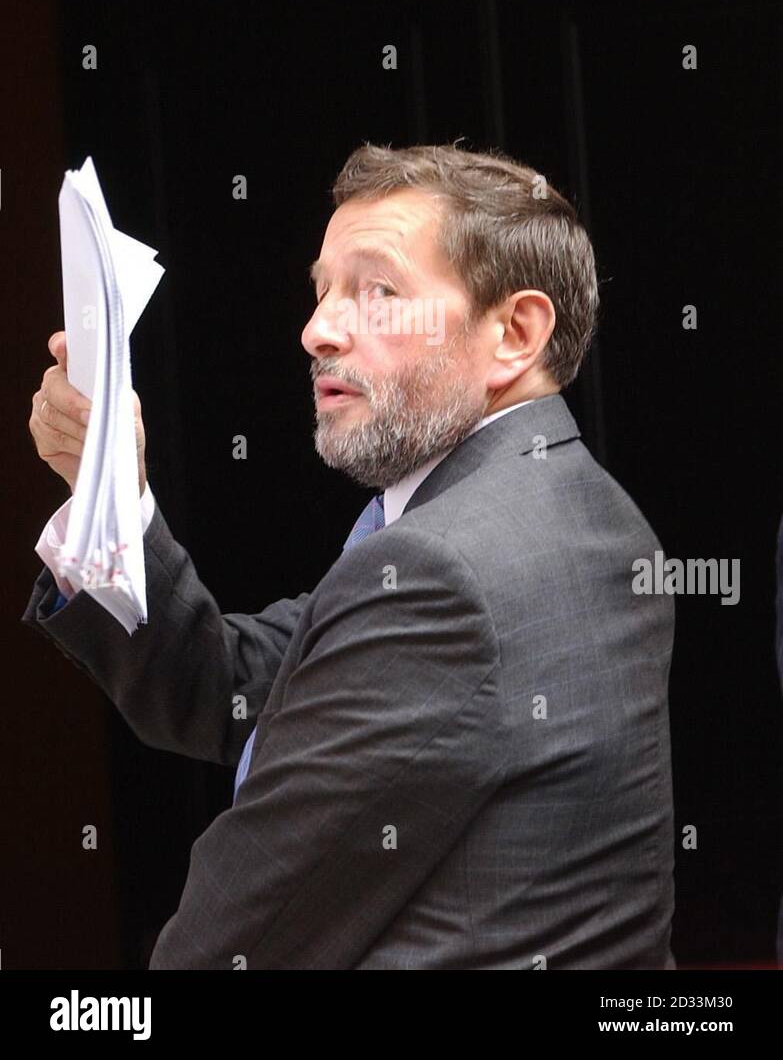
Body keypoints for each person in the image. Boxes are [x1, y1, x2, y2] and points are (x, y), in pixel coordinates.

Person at [24, 141, 676, 970]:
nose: (317, 330)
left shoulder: (445, 573)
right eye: (322, 290)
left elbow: (230, 942)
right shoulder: (589, 516)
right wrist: (112, 493)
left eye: (378, 291)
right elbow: (227, 688)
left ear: (514, 331)